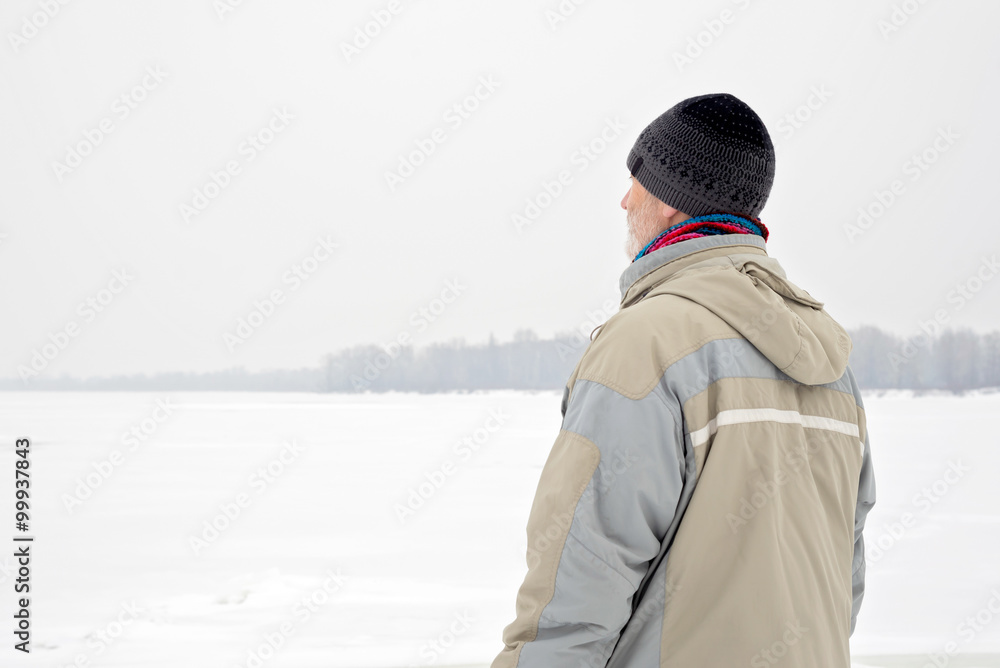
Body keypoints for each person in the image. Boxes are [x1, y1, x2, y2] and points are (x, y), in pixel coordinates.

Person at [490, 93, 877, 667]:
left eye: (637, 178)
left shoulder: (646, 345)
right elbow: (840, 583)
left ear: (674, 198)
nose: (624, 199)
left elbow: (577, 591)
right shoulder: (831, 362)